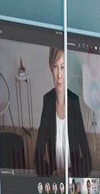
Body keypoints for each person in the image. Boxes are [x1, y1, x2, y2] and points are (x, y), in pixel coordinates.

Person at [35, 47, 93, 178]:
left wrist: (72, 174)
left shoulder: (74, 100)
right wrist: (51, 174)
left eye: (63, 67)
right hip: (54, 177)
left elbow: (87, 158)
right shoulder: (48, 100)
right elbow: (37, 156)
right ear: (51, 69)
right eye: (56, 67)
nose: (59, 75)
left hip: (74, 176)